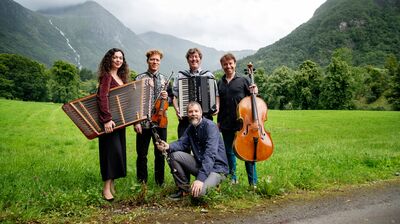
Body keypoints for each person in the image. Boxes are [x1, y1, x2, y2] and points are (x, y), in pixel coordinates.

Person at [156, 101, 228, 199]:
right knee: (172, 155)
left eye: (196, 111)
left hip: (217, 169)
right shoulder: (191, 128)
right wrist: (168, 146)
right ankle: (184, 190)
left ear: (201, 113)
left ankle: (207, 186)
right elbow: (182, 143)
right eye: (190, 112)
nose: (193, 114)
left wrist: (200, 179)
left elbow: (210, 154)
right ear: (187, 114)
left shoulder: (210, 127)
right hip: (201, 164)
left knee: (198, 194)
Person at [217, 53, 258, 186]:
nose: (228, 66)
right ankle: (232, 179)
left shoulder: (244, 80)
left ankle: (253, 182)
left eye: (230, 63)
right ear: (222, 66)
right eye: (225, 64)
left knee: (248, 153)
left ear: (235, 64)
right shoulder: (220, 83)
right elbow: (220, 104)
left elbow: (253, 100)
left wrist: (255, 92)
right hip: (226, 123)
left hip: (243, 124)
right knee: (229, 152)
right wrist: (218, 121)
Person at [96, 48, 130, 201]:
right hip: (110, 123)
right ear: (109, 59)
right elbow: (102, 98)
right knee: (110, 154)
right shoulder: (107, 77)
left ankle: (112, 185)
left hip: (120, 123)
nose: (118, 60)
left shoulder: (121, 77)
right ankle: (106, 188)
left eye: (120, 58)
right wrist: (107, 119)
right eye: (115, 57)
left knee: (117, 153)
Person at [134, 49, 169, 186]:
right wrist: (136, 122)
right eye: (152, 59)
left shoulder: (165, 79)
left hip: (161, 122)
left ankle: (160, 182)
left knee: (160, 153)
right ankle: (141, 182)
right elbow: (135, 102)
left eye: (157, 60)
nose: (154, 62)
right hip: (143, 122)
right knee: (142, 155)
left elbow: (169, 101)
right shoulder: (139, 78)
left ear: (160, 62)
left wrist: (168, 98)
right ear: (148, 61)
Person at [172, 48, 219, 138]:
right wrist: (177, 109)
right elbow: (174, 95)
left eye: (196, 57)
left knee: (205, 146)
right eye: (191, 57)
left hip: (205, 118)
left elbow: (216, 94)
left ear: (200, 59)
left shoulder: (208, 75)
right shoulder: (181, 76)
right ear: (188, 60)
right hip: (186, 119)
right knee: (183, 147)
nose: (194, 59)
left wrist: (217, 106)